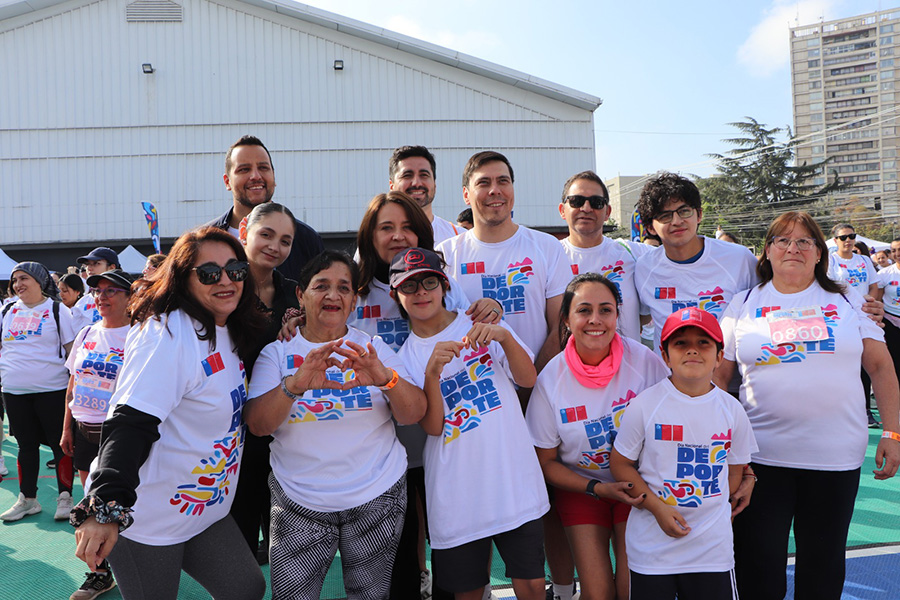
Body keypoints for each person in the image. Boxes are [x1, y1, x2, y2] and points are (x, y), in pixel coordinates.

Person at [71, 227, 267, 600]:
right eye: (209, 273)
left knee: (246, 588)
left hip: (203, 510)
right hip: (149, 519)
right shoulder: (167, 334)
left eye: (235, 270)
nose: (226, 280)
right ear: (182, 278)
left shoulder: (227, 326)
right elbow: (130, 420)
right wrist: (106, 504)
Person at [713, 211, 900, 600]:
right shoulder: (742, 303)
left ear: (819, 253)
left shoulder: (849, 299)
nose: (793, 248)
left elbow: (881, 367)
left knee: (822, 567)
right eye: (782, 240)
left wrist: (893, 432)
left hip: (834, 458)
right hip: (760, 461)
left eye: (804, 241)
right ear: (767, 251)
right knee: (758, 567)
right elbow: (718, 379)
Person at [244, 250, 426, 600]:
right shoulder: (277, 353)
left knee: (370, 596)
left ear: (354, 300)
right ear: (301, 295)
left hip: (376, 496)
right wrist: (294, 385)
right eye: (321, 286)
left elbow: (413, 413)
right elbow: (258, 425)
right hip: (298, 501)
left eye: (344, 288)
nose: (333, 295)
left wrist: (385, 379)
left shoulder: (372, 348)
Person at [349, 190, 501, 599]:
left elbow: (470, 326)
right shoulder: (353, 287)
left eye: (407, 227)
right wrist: (295, 319)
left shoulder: (442, 285)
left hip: (441, 434)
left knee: (451, 537)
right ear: (369, 236)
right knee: (400, 547)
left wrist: (490, 309)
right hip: (379, 441)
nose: (398, 236)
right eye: (386, 227)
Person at [393, 248, 548, 600]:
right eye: (409, 286)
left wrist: (504, 337)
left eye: (429, 282)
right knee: (467, 592)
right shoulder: (404, 357)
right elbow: (433, 427)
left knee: (532, 585)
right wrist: (432, 375)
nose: (421, 292)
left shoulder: (481, 322)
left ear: (444, 285)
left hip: (512, 481)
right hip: (456, 493)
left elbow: (528, 379)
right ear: (395, 295)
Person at [526, 273, 668, 600]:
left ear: (618, 316)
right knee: (598, 593)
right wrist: (596, 487)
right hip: (583, 488)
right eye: (584, 310)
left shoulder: (644, 362)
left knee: (631, 590)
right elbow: (546, 462)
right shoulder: (551, 379)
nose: (595, 319)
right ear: (566, 319)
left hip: (638, 485)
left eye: (605, 310)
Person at [610, 307, 756, 600]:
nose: (692, 350)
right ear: (665, 356)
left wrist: (713, 510)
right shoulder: (645, 405)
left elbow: (736, 470)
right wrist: (657, 508)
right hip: (652, 549)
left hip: (711, 551)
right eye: (681, 343)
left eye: (703, 343)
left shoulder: (732, 410)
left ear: (719, 356)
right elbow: (620, 464)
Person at [229, 202, 301, 561]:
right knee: (237, 540)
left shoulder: (295, 293)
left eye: (285, 241)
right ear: (244, 232)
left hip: (282, 426)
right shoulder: (224, 288)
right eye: (267, 235)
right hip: (230, 430)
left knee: (285, 543)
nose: (275, 246)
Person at [62, 269, 134, 600]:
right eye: (97, 291)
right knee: (90, 506)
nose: (102, 297)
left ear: (130, 297)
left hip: (119, 435)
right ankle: (100, 574)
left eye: (111, 291)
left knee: (119, 508)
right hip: (83, 430)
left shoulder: (139, 335)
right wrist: (67, 427)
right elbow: (73, 384)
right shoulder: (87, 332)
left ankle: (135, 568)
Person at [633, 172, 758, 355]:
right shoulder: (644, 268)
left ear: (698, 215)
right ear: (651, 227)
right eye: (665, 216)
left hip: (727, 372)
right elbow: (640, 318)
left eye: (684, 211)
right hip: (667, 373)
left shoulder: (739, 258)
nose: (677, 221)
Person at [0, 262, 76, 522]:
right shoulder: (7, 310)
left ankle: (65, 497)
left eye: (24, 278)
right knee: (26, 446)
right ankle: (28, 499)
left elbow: (72, 351)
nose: (18, 284)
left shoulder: (57, 310)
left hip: (52, 390)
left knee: (60, 445)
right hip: (14, 390)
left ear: (40, 281)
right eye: (15, 280)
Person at [207, 135, 324, 280]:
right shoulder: (205, 239)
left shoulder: (306, 240)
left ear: (274, 176)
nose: (255, 176)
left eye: (263, 168)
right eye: (244, 169)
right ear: (227, 182)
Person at [558, 170, 651, 342]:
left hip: (627, 358)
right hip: (569, 359)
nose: (586, 208)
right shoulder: (549, 256)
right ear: (562, 210)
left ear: (607, 212)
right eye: (576, 201)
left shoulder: (634, 253)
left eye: (596, 202)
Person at [829, 223, 881, 427]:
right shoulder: (831, 260)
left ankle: (866, 410)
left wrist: (868, 306)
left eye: (852, 236)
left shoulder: (864, 260)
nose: (848, 240)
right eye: (843, 237)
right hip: (841, 318)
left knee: (866, 364)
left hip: (864, 317)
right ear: (835, 240)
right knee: (843, 364)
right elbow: (829, 288)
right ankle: (839, 410)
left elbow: (874, 286)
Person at [389, 145, 460, 244]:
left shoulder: (459, 239)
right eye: (407, 175)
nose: (417, 183)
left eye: (424, 175)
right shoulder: (376, 241)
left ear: (434, 184)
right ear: (392, 186)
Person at [72, 248, 120, 333]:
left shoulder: (126, 298)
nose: (89, 268)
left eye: (96, 263)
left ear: (112, 267)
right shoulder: (81, 303)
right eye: (87, 264)